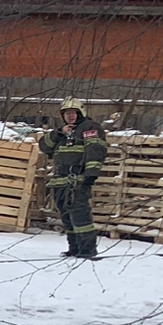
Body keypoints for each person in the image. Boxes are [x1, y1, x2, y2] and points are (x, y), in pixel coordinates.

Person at [39, 97, 107, 259]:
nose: (70, 116)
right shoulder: (62, 132)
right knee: (67, 218)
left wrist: (90, 174)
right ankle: (74, 248)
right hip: (60, 181)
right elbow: (44, 146)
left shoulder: (89, 128)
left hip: (78, 181)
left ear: (80, 112)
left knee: (80, 216)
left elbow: (95, 150)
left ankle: (87, 250)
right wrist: (58, 133)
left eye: (73, 113)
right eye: (67, 113)